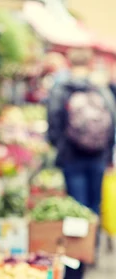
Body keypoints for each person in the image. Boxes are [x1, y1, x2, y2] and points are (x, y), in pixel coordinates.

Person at [47, 48, 116, 217]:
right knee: (95, 203)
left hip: (71, 155)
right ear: (90, 63)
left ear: (69, 62)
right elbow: (113, 118)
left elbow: (53, 118)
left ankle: (78, 241)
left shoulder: (61, 88)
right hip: (98, 154)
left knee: (77, 205)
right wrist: (108, 152)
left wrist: (59, 145)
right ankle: (93, 242)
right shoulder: (100, 88)